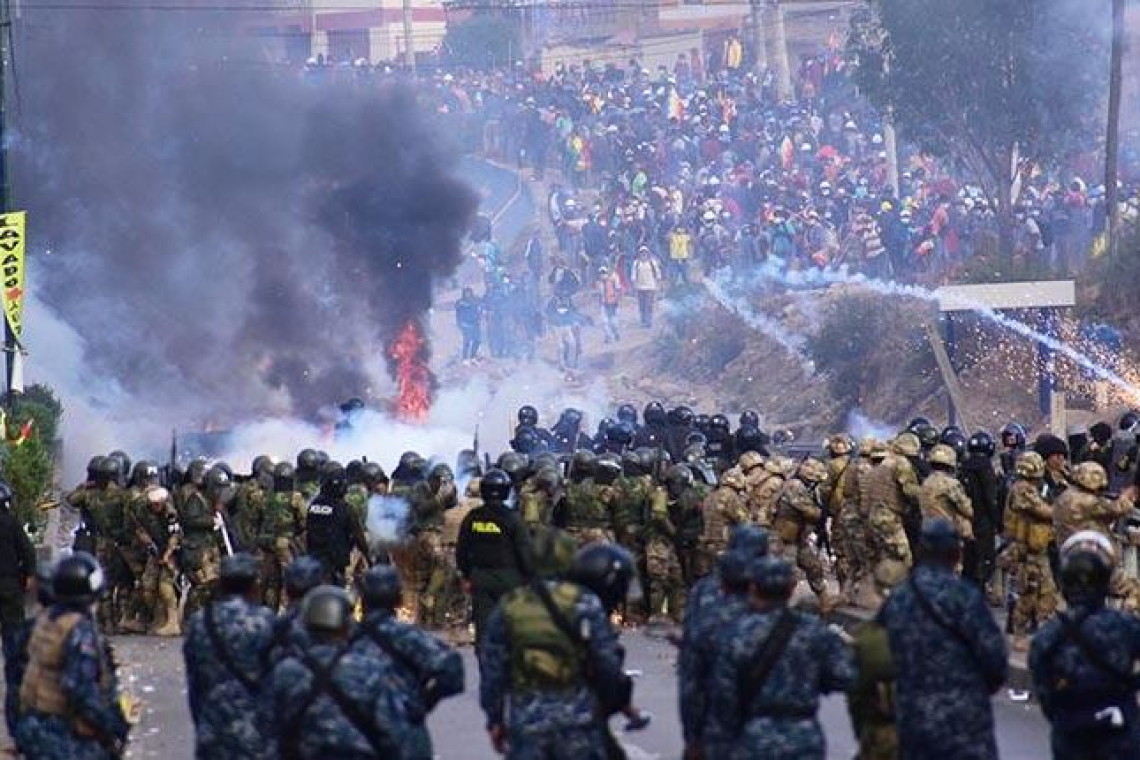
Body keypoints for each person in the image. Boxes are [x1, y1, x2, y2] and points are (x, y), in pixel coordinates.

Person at [478, 543, 637, 759]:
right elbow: (607, 663)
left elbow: (492, 672)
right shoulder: (584, 602)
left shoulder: (510, 605)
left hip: (527, 722)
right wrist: (609, 704)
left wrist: (494, 719)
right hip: (578, 722)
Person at [878, 519, 1008, 760]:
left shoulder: (899, 599)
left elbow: (878, 659)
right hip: (965, 721)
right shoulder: (966, 597)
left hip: (913, 718)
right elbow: (995, 660)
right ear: (956, 554)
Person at [709, 555, 855, 758]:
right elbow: (844, 676)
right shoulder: (813, 632)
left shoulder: (735, 633)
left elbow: (720, 695)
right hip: (801, 736)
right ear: (790, 589)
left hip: (753, 737)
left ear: (752, 588)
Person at [1030, 531, 1140, 759]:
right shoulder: (1125, 627)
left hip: (1071, 739)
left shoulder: (1047, 636)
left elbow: (1046, 695)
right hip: (1119, 736)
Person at [264, 585, 405, 758]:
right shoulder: (369, 669)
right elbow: (393, 732)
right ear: (346, 625)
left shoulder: (286, 672)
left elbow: (267, 729)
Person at [17, 552, 130, 759]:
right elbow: (80, 688)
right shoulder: (78, 629)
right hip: (62, 732)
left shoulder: (47, 621)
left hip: (34, 725)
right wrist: (113, 725)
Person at [353, 566, 465, 759]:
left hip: (357, 732)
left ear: (363, 600)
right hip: (405, 731)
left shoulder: (346, 638)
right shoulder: (410, 637)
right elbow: (452, 670)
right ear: (398, 600)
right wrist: (424, 701)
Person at [679, 526, 769, 759]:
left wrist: (692, 736)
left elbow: (691, 675)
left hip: (717, 715)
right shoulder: (771, 589)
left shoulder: (704, 590)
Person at [183, 552, 276, 760]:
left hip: (213, 727)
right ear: (254, 586)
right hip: (257, 730)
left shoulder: (201, 623)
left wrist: (202, 721)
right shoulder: (266, 621)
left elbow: (194, 681)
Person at [456, 469, 535, 649]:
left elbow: (461, 551)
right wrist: (530, 578)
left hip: (481, 579)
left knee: (483, 628)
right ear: (506, 490)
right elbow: (525, 552)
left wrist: (468, 576)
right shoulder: (513, 519)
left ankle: (486, 663)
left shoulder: (472, 517)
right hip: (510, 580)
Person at [1003, 451, 1058, 651]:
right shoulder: (1022, 489)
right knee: (1027, 593)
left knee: (1047, 592)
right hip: (1024, 551)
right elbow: (1042, 510)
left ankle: (1041, 633)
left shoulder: (1028, 488)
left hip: (1036, 549)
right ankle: (1019, 634)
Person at [0, 479, 36, 715]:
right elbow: (28, 552)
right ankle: (18, 688)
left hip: (9, 584)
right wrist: (30, 576)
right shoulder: (11, 523)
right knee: (14, 638)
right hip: (9, 586)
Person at [305, 462, 369, 587]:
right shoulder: (344, 508)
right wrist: (368, 557)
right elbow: (359, 536)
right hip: (334, 563)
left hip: (313, 559)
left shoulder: (313, 505)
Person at [630, 246, 663, 328]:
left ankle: (648, 322)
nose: (643, 255)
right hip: (640, 287)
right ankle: (643, 321)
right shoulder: (636, 263)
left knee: (648, 305)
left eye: (645, 253)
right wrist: (634, 286)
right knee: (642, 306)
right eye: (642, 253)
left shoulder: (652, 263)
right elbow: (633, 276)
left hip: (650, 287)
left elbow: (658, 275)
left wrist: (658, 286)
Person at [455, 287, 483, 363]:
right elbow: (458, 314)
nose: (468, 294)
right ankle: (465, 358)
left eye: (469, 292)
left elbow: (482, 306)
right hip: (466, 324)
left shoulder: (475, 300)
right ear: (463, 293)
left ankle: (473, 356)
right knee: (467, 341)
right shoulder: (460, 302)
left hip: (475, 323)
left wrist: (480, 316)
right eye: (466, 293)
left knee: (477, 340)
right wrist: (460, 323)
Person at [597, 266, 622, 344]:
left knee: (613, 322)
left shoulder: (612, 281)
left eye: (603, 273)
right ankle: (608, 336)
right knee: (604, 322)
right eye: (601, 273)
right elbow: (599, 294)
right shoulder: (599, 283)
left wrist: (616, 300)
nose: (602, 275)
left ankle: (616, 333)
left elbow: (618, 291)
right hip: (604, 304)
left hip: (612, 303)